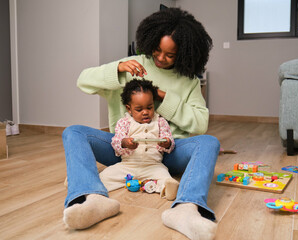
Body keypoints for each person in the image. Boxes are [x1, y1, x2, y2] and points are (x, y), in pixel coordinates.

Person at [62, 7, 220, 240]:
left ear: (184, 54)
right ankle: (91, 197)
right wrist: (115, 69)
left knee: (209, 142)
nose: (160, 58)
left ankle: (186, 208)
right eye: (157, 50)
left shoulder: (188, 81)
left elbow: (200, 124)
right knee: (73, 132)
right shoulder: (132, 65)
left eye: (170, 55)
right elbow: (83, 81)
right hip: (124, 148)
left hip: (167, 151)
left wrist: (163, 97)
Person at [99, 79, 179, 200]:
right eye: (139, 109)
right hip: (127, 165)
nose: (145, 112)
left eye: (149, 107)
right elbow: (116, 142)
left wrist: (166, 143)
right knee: (106, 175)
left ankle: (167, 189)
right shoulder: (124, 122)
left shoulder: (160, 122)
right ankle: (84, 183)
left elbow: (170, 142)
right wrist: (125, 143)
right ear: (129, 109)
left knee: (164, 176)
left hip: (153, 165)